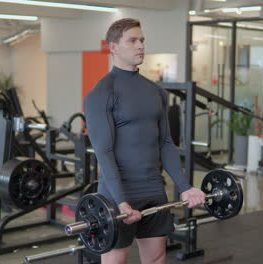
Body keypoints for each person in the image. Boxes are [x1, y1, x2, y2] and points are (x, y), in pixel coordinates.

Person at [83, 18, 206, 264]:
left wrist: (184, 186)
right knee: (116, 261)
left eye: (142, 40)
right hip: (117, 194)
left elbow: (165, 144)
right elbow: (104, 152)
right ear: (113, 47)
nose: (140, 45)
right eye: (132, 40)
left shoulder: (155, 92)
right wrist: (121, 201)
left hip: (152, 188)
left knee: (157, 258)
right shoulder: (101, 93)